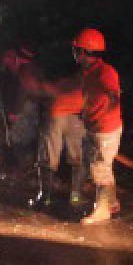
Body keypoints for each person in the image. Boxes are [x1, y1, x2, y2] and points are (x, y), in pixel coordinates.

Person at [74, 27, 123, 224]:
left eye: (78, 50)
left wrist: (104, 113)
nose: (75, 54)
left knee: (100, 167)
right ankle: (111, 202)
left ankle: (102, 209)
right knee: (96, 164)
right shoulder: (90, 71)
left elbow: (114, 95)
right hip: (95, 127)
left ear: (86, 51)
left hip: (105, 129)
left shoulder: (105, 71)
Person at [31, 66, 87, 211]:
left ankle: (45, 197)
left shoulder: (63, 81)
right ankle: (75, 198)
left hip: (56, 115)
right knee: (78, 158)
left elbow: (46, 91)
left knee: (48, 156)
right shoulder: (89, 82)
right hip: (78, 117)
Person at [0, 47, 41, 169]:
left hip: (26, 106)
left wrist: (15, 111)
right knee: (26, 137)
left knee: (19, 137)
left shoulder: (25, 70)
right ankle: (25, 166)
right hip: (31, 105)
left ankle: (23, 166)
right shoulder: (30, 69)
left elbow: (22, 91)